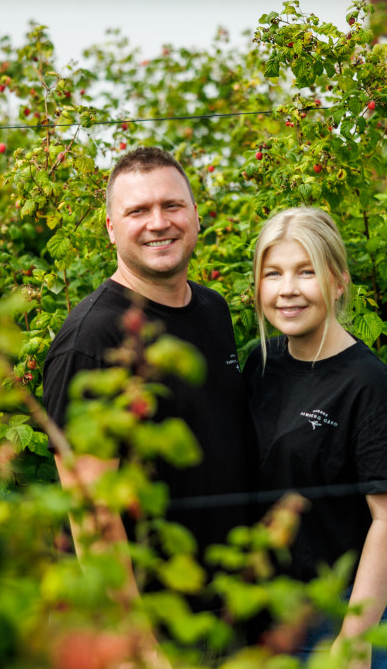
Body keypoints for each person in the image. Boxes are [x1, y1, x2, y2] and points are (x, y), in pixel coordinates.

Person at [41, 147, 255, 622]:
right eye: (138, 211)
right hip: (159, 621)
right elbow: (91, 513)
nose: (159, 222)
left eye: (172, 206)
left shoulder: (213, 310)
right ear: (111, 228)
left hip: (231, 605)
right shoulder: (94, 341)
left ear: (196, 215)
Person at [242, 207, 387, 668]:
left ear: (338, 281)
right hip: (266, 615)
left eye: (306, 272)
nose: (287, 290)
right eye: (273, 274)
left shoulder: (369, 386)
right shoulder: (260, 365)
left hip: (338, 618)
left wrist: (354, 640)